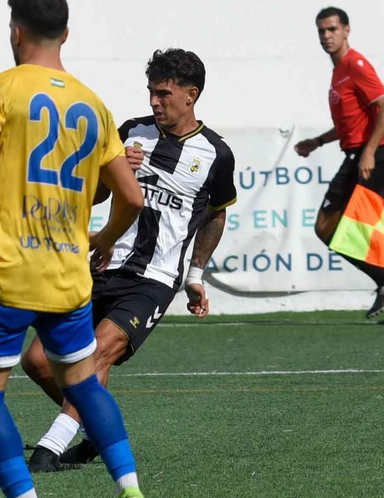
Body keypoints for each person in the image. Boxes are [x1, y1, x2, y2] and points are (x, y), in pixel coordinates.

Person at [0, 0, 159, 498]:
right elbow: (133, 198)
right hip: (68, 276)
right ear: (66, 34)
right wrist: (103, 240)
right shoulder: (94, 105)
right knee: (84, 386)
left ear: (15, 31)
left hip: (8, 272)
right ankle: (133, 496)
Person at [25, 49, 236, 472]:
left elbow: (216, 213)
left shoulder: (216, 153)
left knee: (97, 353)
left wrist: (195, 275)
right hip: (102, 264)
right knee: (37, 361)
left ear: (191, 95)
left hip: (153, 279)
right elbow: (98, 194)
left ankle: (49, 450)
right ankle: (100, 433)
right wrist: (114, 169)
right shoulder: (130, 132)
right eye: (151, 93)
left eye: (164, 93)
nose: (155, 102)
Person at [294, 6, 384, 324]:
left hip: (374, 160)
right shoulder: (338, 71)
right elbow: (350, 124)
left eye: (332, 29)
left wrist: (368, 151)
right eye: (321, 31)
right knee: (333, 229)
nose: (327, 36)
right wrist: (318, 142)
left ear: (346, 30)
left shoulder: (355, 63)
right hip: (356, 157)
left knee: (343, 230)